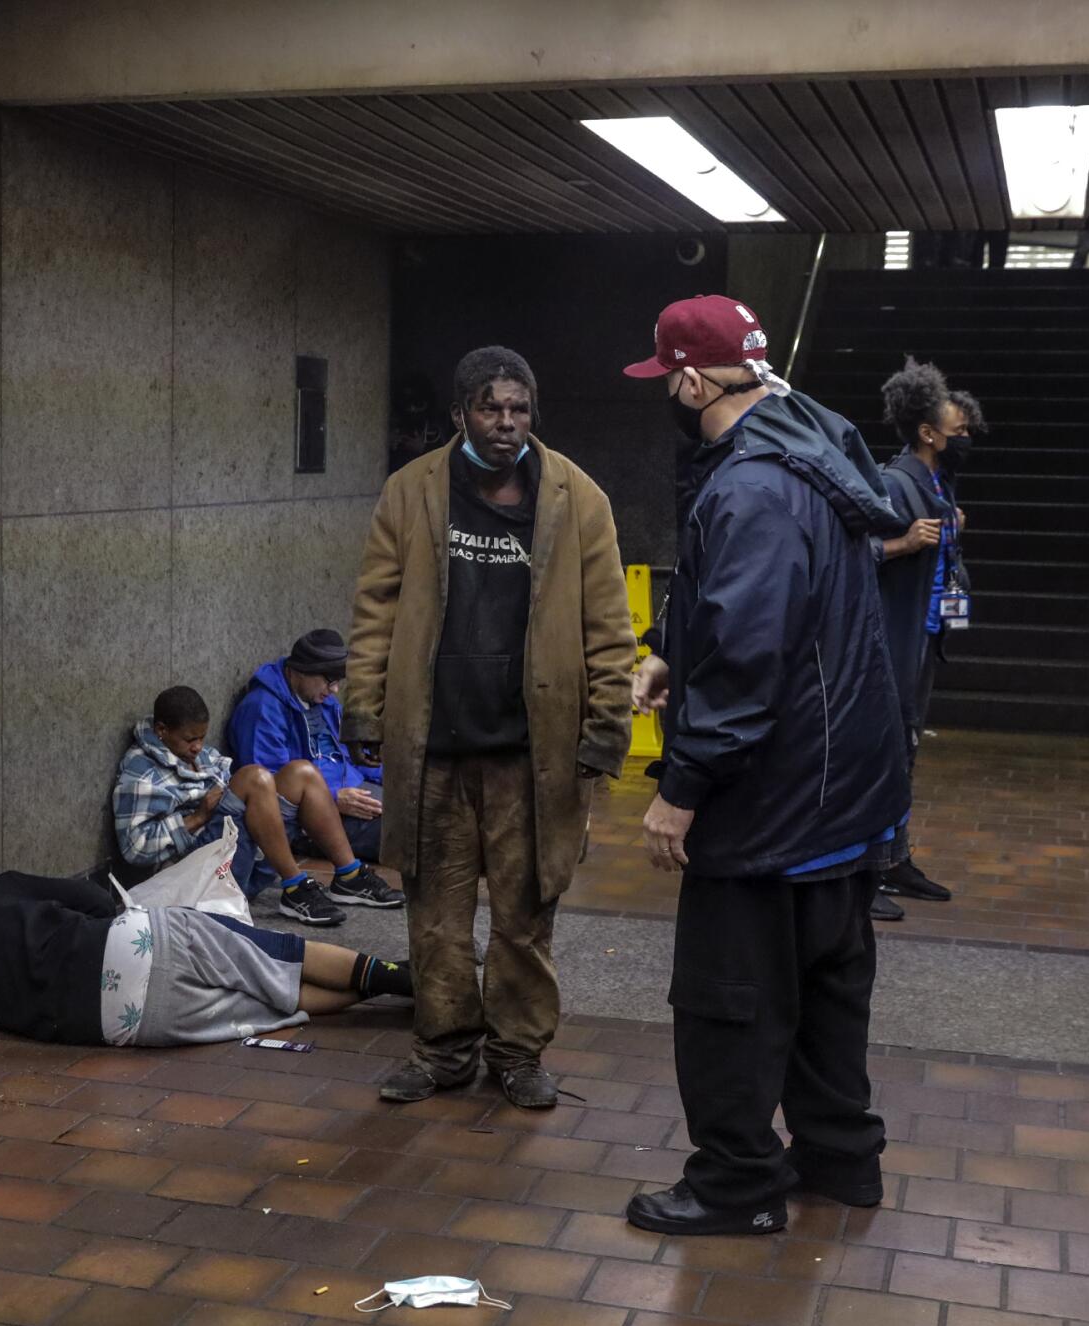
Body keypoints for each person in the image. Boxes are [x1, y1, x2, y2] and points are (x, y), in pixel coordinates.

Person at [622, 295, 909, 1236]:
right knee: (829, 991)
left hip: (771, 803)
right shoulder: (816, 449)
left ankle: (738, 1185)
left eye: (669, 378)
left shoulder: (746, 485)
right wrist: (672, 644)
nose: (669, 391)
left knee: (728, 1002)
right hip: (845, 797)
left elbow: (748, 657)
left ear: (696, 380)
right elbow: (766, 607)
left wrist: (682, 789)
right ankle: (840, 1160)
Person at [345, 345, 634, 1111]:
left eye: (518, 408)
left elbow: (609, 623)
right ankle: (441, 1052)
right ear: (460, 414)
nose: (506, 423)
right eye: (490, 407)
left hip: (531, 754)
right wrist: (364, 706)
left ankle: (517, 1053)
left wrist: (607, 727)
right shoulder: (412, 492)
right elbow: (375, 608)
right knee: (434, 917)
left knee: (525, 914)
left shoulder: (579, 499)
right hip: (434, 746)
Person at [0, 871, 413, 1047]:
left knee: (277, 1006)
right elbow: (91, 898)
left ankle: (394, 990)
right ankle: (404, 979)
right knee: (278, 954)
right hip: (136, 944)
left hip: (115, 1025)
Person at [116, 686, 392, 927]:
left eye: (202, 737)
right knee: (254, 777)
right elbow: (135, 847)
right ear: (162, 730)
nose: (198, 747)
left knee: (302, 772)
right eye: (190, 739)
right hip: (198, 878)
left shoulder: (203, 755)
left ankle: (349, 875)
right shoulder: (141, 771)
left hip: (242, 858)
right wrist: (199, 817)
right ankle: (295, 887)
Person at [871, 358, 982, 916]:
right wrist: (904, 545)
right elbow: (849, 555)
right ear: (927, 432)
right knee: (883, 753)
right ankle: (866, 874)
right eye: (957, 430)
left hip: (923, 641)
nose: (965, 438)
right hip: (893, 641)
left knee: (906, 750)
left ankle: (895, 860)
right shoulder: (893, 483)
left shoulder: (939, 483)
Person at [227, 629, 404, 910]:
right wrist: (334, 798)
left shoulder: (322, 700)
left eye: (338, 681)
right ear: (299, 671)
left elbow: (347, 757)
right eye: (328, 680)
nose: (334, 690)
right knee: (417, 832)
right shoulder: (263, 708)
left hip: (352, 791)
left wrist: (398, 779)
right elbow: (266, 785)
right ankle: (349, 876)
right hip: (317, 814)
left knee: (429, 810)